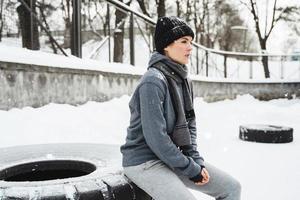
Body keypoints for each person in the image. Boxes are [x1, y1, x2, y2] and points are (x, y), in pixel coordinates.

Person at [120, 16, 241, 200]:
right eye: (184, 41)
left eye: (191, 42)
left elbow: (190, 123)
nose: (190, 47)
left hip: (172, 157)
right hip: (144, 162)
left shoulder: (184, 80)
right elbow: (156, 139)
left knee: (232, 188)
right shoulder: (152, 81)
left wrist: (196, 161)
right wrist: (190, 168)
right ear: (166, 45)